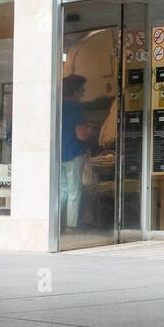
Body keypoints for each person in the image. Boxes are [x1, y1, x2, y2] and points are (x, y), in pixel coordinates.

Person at [60, 74, 112, 229]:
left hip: (58, 155)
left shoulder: (57, 106)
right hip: (73, 154)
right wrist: (91, 130)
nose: (83, 94)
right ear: (74, 91)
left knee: (62, 191)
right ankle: (71, 226)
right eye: (81, 91)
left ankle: (52, 222)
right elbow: (81, 135)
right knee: (74, 192)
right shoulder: (75, 108)